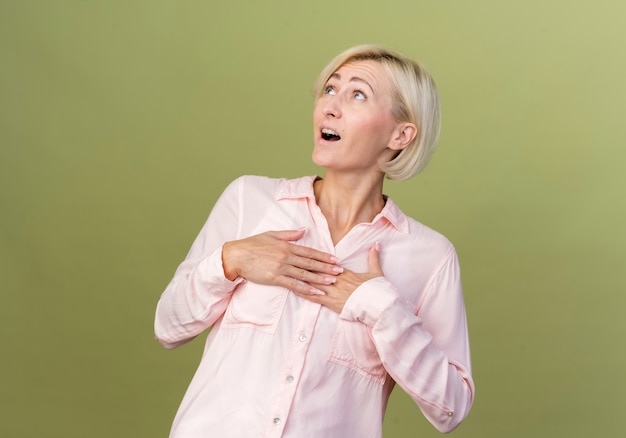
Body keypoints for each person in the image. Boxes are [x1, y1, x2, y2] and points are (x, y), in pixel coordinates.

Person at [155, 44, 475, 437]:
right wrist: (231, 259)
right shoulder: (249, 199)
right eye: (329, 90)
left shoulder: (429, 256)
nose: (330, 107)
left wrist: (380, 308)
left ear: (400, 134)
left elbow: (451, 408)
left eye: (357, 94)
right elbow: (168, 326)